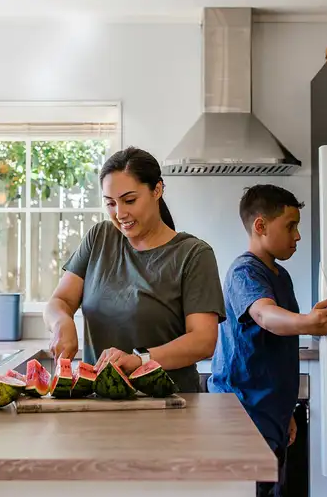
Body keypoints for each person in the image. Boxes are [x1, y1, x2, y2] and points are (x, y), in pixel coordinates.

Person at [43, 146, 225, 392]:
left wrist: (141, 360)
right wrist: (60, 323)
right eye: (110, 203)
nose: (120, 214)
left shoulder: (193, 254)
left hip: (169, 405)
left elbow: (203, 340)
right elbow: (60, 300)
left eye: (129, 200)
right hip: (99, 404)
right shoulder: (99, 238)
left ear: (157, 190)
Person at [208, 184, 327, 497]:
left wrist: (286, 413)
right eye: (291, 226)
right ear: (260, 226)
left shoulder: (281, 276)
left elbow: (279, 348)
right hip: (243, 414)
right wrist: (308, 322)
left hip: (270, 415)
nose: (297, 236)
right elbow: (265, 316)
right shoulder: (244, 272)